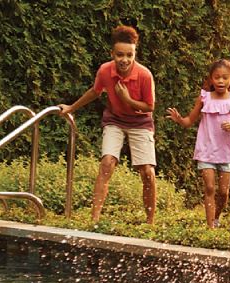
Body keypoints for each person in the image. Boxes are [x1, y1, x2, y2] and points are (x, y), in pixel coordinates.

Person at [58, 26, 157, 224]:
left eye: (130, 55)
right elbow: (95, 92)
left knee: (147, 172)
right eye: (120, 54)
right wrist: (71, 107)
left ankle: (150, 224)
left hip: (140, 122)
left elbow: (149, 106)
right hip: (115, 120)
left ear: (135, 52)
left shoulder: (144, 75)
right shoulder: (105, 70)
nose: (125, 60)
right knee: (106, 163)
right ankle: (94, 221)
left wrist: (127, 99)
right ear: (112, 53)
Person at [166, 59, 230, 230]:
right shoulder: (204, 97)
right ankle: (210, 228)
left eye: (224, 78)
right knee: (209, 188)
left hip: (226, 151)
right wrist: (179, 119)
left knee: (223, 193)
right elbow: (189, 121)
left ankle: (217, 216)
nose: (220, 81)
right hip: (206, 149)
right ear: (211, 78)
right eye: (216, 77)